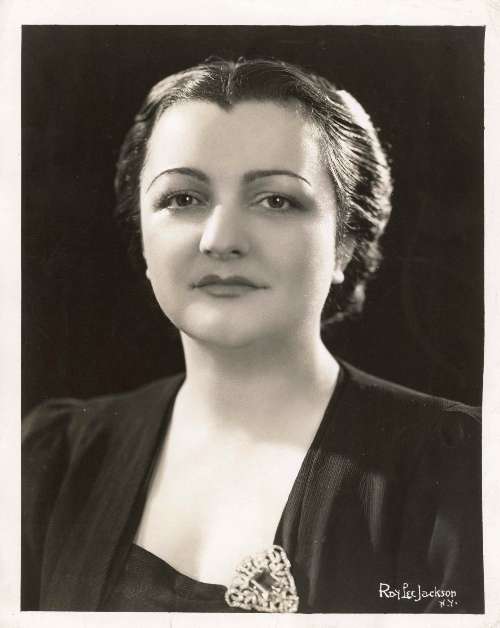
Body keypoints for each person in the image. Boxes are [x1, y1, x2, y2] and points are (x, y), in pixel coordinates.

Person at [22, 57, 483, 613]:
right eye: (183, 199)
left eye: (276, 200)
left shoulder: (459, 470)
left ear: (344, 243)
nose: (221, 240)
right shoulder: (54, 459)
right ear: (143, 237)